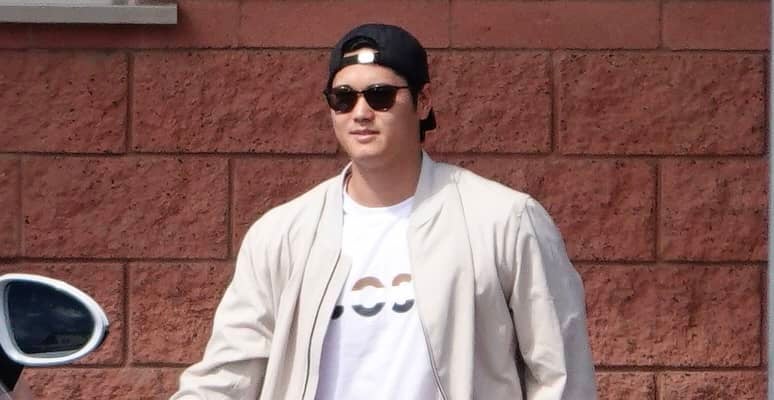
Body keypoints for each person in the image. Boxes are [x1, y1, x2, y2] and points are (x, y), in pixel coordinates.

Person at [171, 23, 597, 400]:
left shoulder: (504, 221)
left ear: (423, 101)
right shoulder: (282, 235)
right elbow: (228, 375)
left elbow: (561, 376)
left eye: (380, 95)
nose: (360, 113)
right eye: (343, 98)